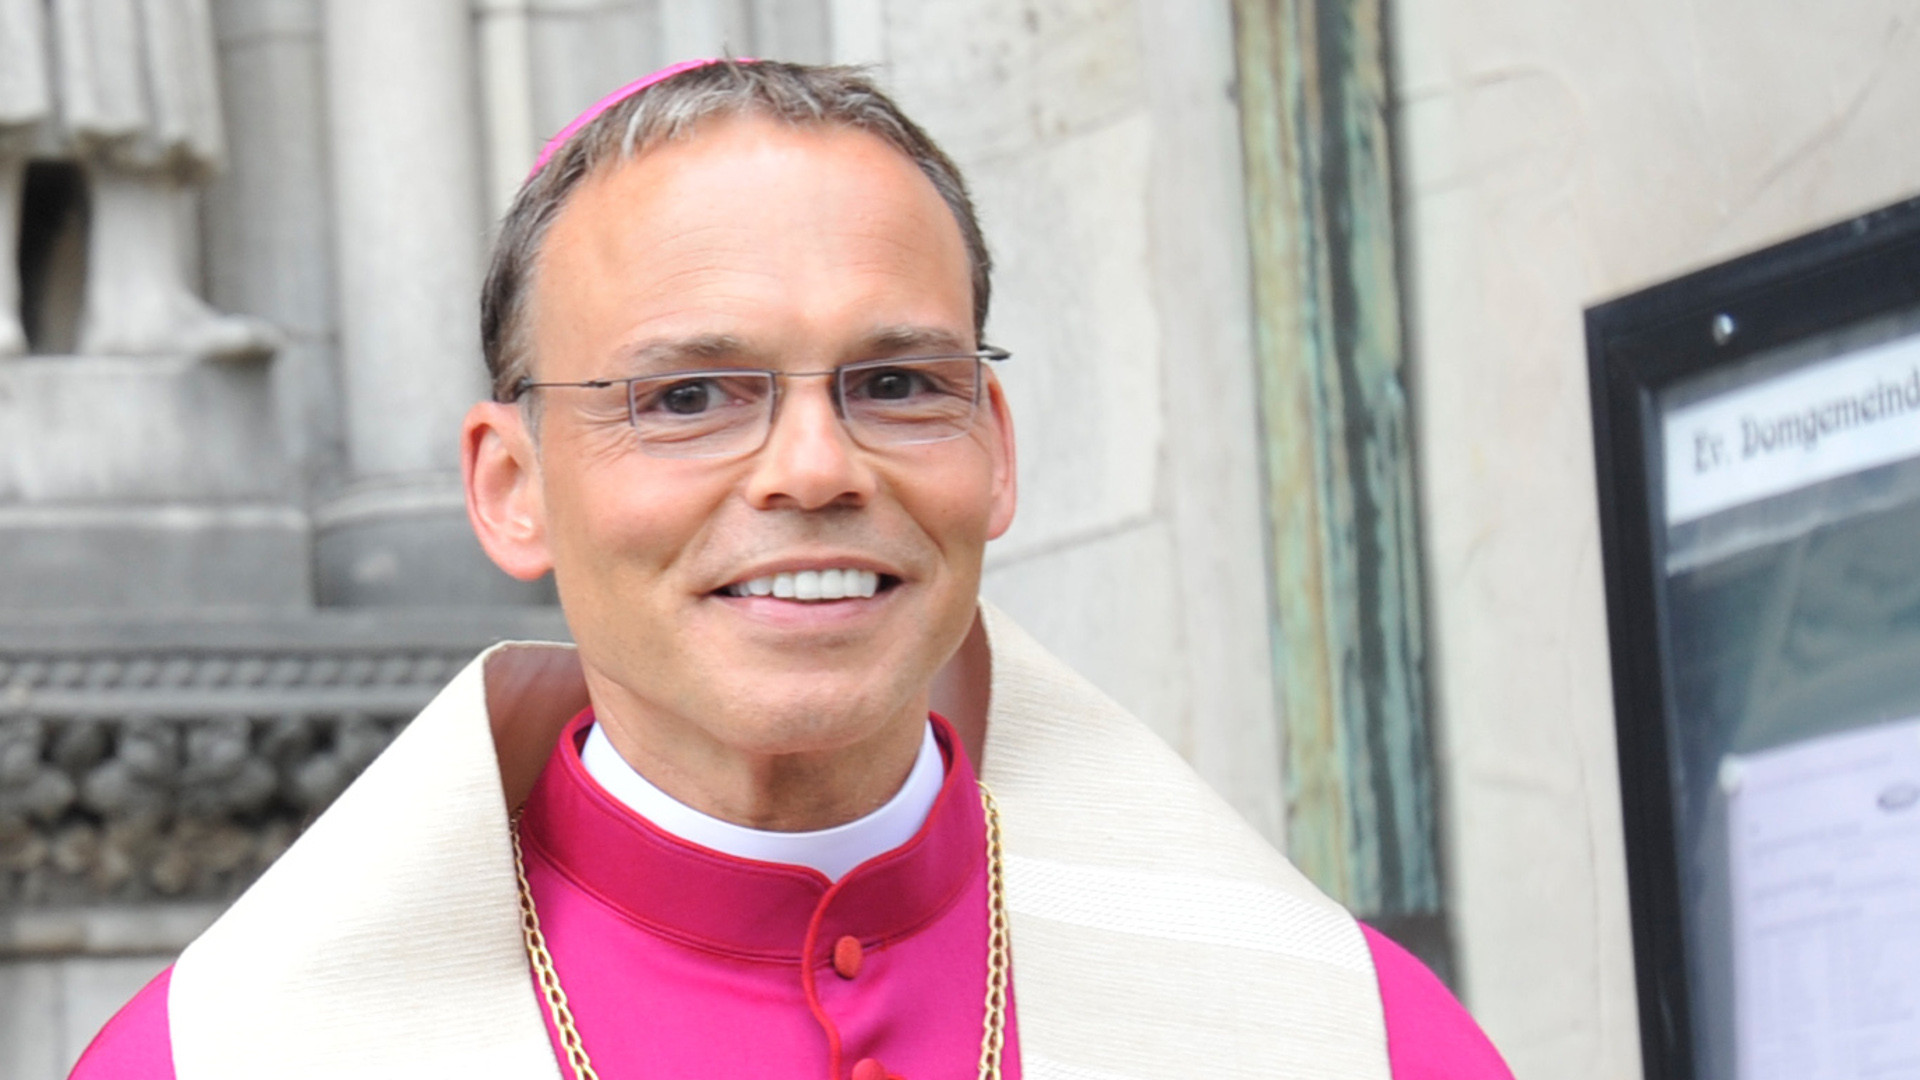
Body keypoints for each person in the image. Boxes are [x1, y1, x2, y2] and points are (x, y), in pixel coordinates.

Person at [70, 60, 1513, 1080]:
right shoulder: (228, 1061)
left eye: (895, 382)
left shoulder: (1345, 1039)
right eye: (690, 397)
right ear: (514, 490)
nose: (816, 468)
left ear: (993, 450)